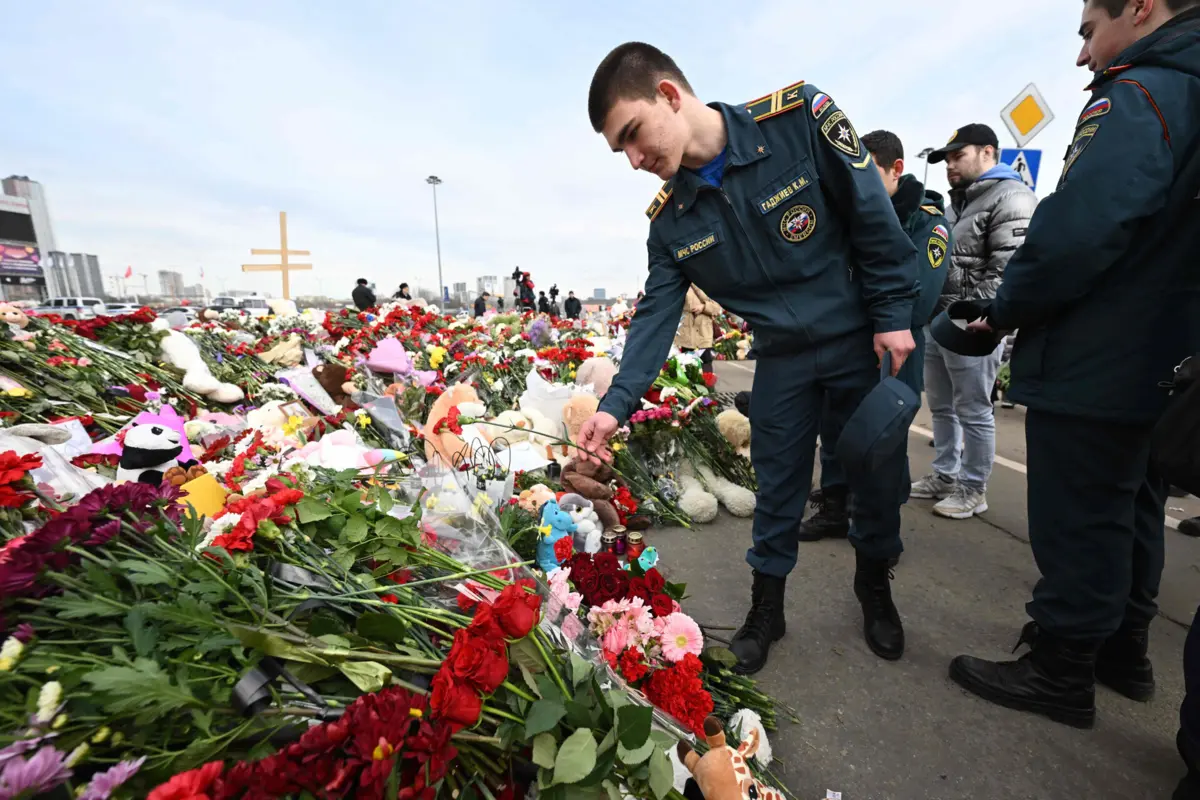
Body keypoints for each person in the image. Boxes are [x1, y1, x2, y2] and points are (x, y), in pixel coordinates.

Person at [578, 42, 919, 673]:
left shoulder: (799, 123)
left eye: (632, 134)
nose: (632, 160)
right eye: (618, 150)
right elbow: (655, 319)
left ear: (669, 96)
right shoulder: (669, 222)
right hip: (784, 361)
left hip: (855, 341)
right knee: (778, 484)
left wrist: (894, 315)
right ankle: (768, 608)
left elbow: (872, 215)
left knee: (875, 477)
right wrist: (614, 406)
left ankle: (874, 587)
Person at [947, 0, 1200, 740]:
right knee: (1132, 506)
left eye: (1090, 30)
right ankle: (1123, 654)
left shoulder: (1144, 90)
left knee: (1080, 513)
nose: (1083, 54)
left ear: (1143, 8)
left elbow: (1079, 228)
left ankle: (1060, 669)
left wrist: (1006, 307)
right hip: (1163, 357)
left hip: (1103, 350)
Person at [800, 130, 953, 542]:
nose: (855, 184)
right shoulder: (852, 216)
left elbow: (915, 303)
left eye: (867, 173)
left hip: (894, 357)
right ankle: (835, 509)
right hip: (845, 349)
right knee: (833, 434)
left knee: (881, 445)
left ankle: (879, 536)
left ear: (896, 170)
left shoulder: (927, 223)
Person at [908, 123, 1037, 520]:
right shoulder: (957, 205)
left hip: (973, 327)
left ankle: (973, 487)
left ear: (988, 153)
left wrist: (989, 319)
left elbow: (1008, 268)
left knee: (974, 410)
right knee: (942, 407)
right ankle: (945, 475)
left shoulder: (1012, 196)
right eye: (946, 158)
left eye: (957, 155)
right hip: (940, 322)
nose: (949, 165)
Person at [676, 284, 721, 374]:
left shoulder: (707, 284)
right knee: (686, 367)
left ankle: (707, 387)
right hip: (686, 334)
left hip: (703, 334)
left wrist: (703, 307)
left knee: (706, 367)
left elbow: (717, 308)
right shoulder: (681, 283)